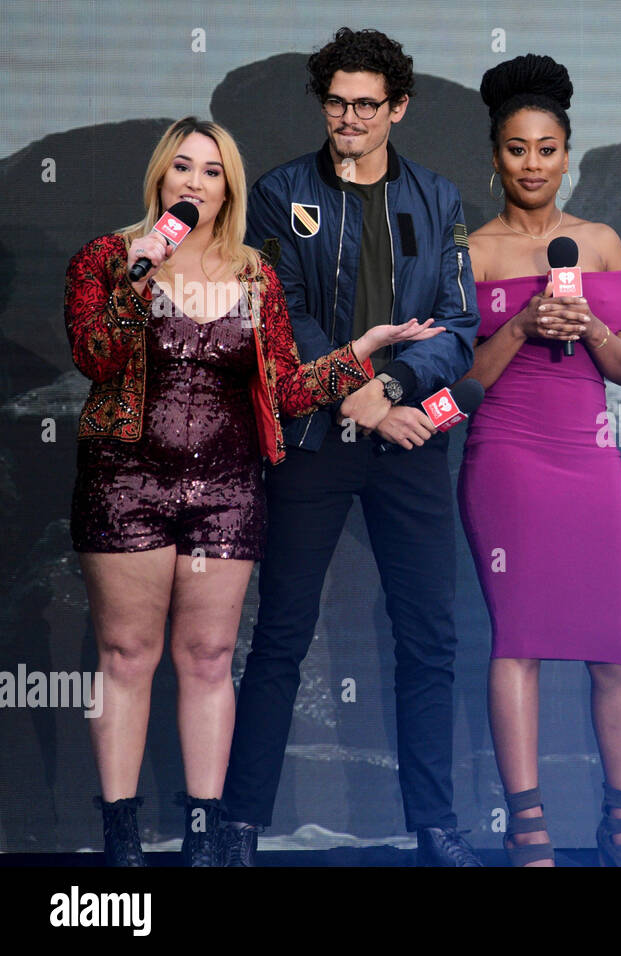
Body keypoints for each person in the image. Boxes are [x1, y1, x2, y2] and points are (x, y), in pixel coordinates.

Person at [65, 116, 431, 866]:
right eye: (181, 168)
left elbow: (290, 392)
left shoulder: (253, 274)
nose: (194, 182)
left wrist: (357, 353)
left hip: (227, 487)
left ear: (227, 185)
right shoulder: (108, 258)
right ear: (160, 179)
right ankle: (123, 846)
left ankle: (206, 840)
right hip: (125, 480)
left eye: (210, 170)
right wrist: (138, 276)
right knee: (127, 654)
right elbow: (94, 356)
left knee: (207, 657)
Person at [220, 27, 482, 867]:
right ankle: (237, 828)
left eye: (367, 105)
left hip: (408, 441)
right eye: (336, 103)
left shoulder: (440, 198)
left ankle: (436, 829)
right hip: (311, 437)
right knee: (283, 636)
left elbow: (459, 326)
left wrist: (397, 393)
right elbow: (279, 315)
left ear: (397, 108)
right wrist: (359, 394)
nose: (349, 119)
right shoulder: (278, 193)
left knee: (430, 637)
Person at [459, 54, 621, 867]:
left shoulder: (601, 244)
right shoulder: (469, 251)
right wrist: (525, 324)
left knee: (615, 647)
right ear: (494, 155)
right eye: (515, 148)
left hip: (589, 455)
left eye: (546, 149)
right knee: (520, 640)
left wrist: (593, 329)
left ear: (568, 153)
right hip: (506, 455)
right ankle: (528, 828)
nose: (531, 165)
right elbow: (460, 384)